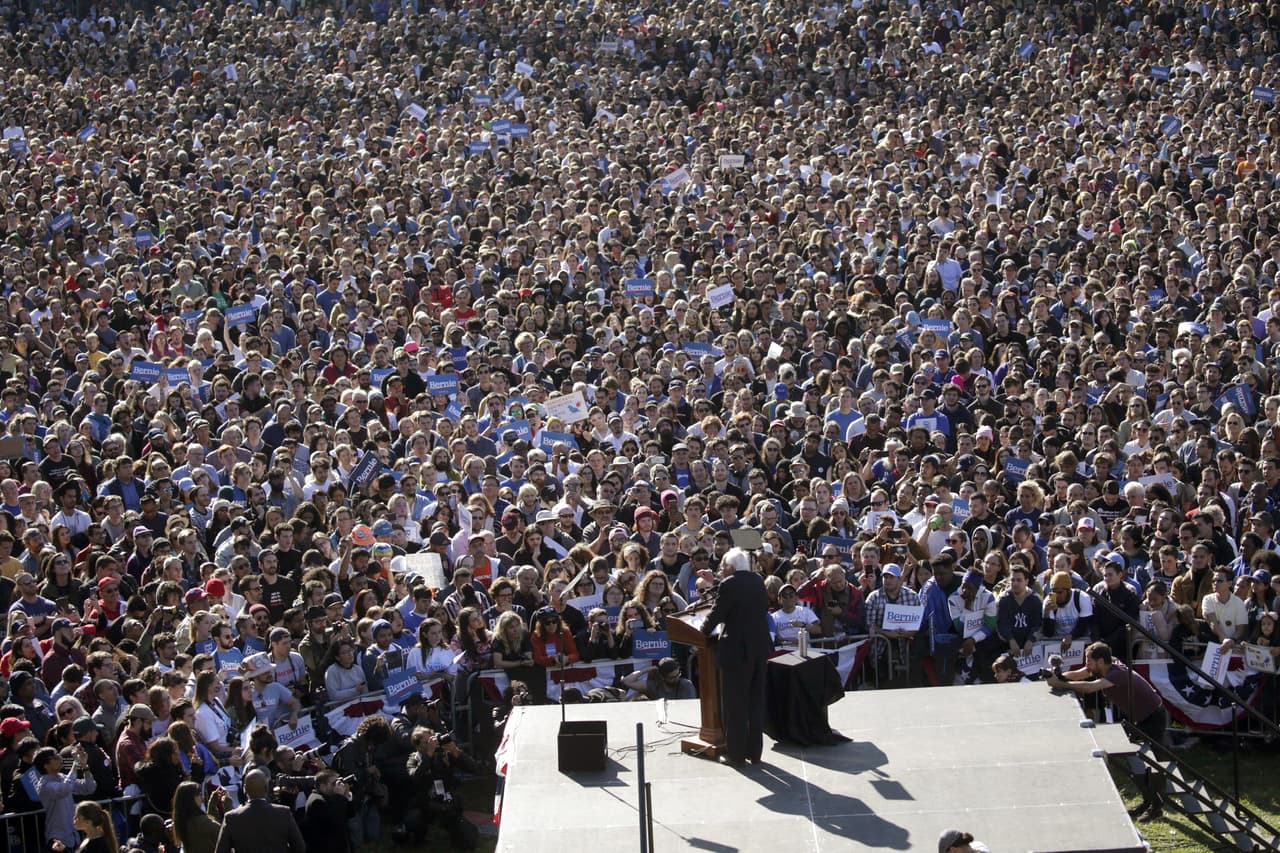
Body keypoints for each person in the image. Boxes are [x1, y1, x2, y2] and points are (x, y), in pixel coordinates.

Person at [1046, 642, 1168, 822]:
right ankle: (1148, 802)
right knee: (1134, 762)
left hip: (1153, 718)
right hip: (1142, 718)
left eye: (1089, 660)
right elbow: (1082, 674)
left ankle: (1156, 807)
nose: (1086, 664)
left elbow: (1090, 687)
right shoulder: (1108, 665)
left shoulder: (1116, 675)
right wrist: (1059, 677)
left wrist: (1062, 684)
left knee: (1147, 765)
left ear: (1101, 661)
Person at [700, 547, 772, 767]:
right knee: (755, 701)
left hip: (737, 651)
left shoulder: (729, 584)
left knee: (735, 703)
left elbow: (717, 614)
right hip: (759, 648)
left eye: (722, 566)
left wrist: (702, 628)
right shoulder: (758, 581)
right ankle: (755, 752)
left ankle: (736, 755)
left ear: (731, 567)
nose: (721, 570)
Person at [214, 768, 306, 853]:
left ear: (245, 789)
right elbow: (300, 848)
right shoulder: (284, 813)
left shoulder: (231, 818)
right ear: (266, 788)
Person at [172, 780, 231, 853]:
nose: (202, 798)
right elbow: (226, 835)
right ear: (190, 799)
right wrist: (228, 806)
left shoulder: (182, 821)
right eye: (199, 794)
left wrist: (212, 805)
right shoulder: (201, 823)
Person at [50, 801, 120, 853]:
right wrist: (64, 849)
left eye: (77, 817)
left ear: (88, 822)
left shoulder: (97, 844)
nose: (74, 818)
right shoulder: (89, 839)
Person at [622, 656, 696, 700]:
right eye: (672, 677)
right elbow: (627, 681)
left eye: (678, 674)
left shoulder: (686, 685)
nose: (677, 678)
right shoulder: (655, 686)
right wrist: (648, 669)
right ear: (662, 677)